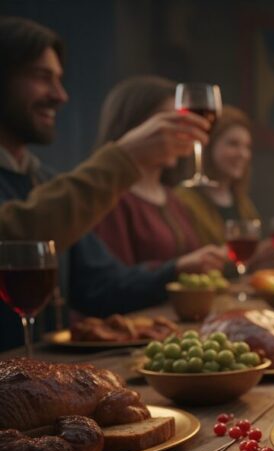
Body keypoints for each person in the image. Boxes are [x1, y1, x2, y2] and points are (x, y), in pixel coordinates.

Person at [0, 16, 219, 350]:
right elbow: (16, 235)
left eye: (59, 79)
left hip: (41, 382)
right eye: (42, 77)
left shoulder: (43, 179)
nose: (60, 95)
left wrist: (176, 270)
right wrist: (123, 158)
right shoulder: (65, 189)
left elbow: (102, 285)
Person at [92, 76, 225, 267]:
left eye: (182, 122)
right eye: (168, 122)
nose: (181, 132)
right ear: (134, 127)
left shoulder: (172, 199)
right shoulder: (111, 201)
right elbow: (113, 284)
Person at [175, 105, 262, 245]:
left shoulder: (243, 204)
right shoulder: (182, 201)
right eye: (233, 144)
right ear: (208, 145)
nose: (243, 154)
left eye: (247, 147)